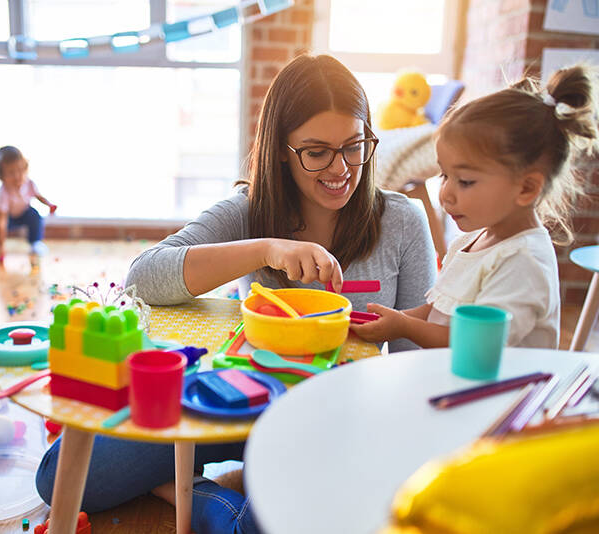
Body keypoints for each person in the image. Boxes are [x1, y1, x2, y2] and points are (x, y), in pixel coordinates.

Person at [36, 53, 437, 533]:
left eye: (354, 146)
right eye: (316, 152)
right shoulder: (247, 212)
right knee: (57, 476)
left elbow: (417, 362)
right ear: (281, 150)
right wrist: (264, 249)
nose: (342, 168)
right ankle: (217, 500)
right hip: (240, 404)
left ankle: (215, 501)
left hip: (341, 421)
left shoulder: (402, 221)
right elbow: (142, 279)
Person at [353, 64, 599, 350]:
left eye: (466, 181)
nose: (446, 194)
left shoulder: (523, 262)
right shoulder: (473, 240)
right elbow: (439, 311)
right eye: (444, 175)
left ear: (526, 188)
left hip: (502, 393)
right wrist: (392, 319)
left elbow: (472, 343)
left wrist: (404, 326)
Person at [0, 146, 57, 262]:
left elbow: (38, 196)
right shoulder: (3, 192)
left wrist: (49, 204)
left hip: (22, 213)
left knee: (35, 216)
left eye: (20, 170)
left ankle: (36, 242)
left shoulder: (29, 183)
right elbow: (1, 222)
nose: (17, 176)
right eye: (11, 173)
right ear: (2, 175)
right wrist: (0, 246)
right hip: (5, 216)